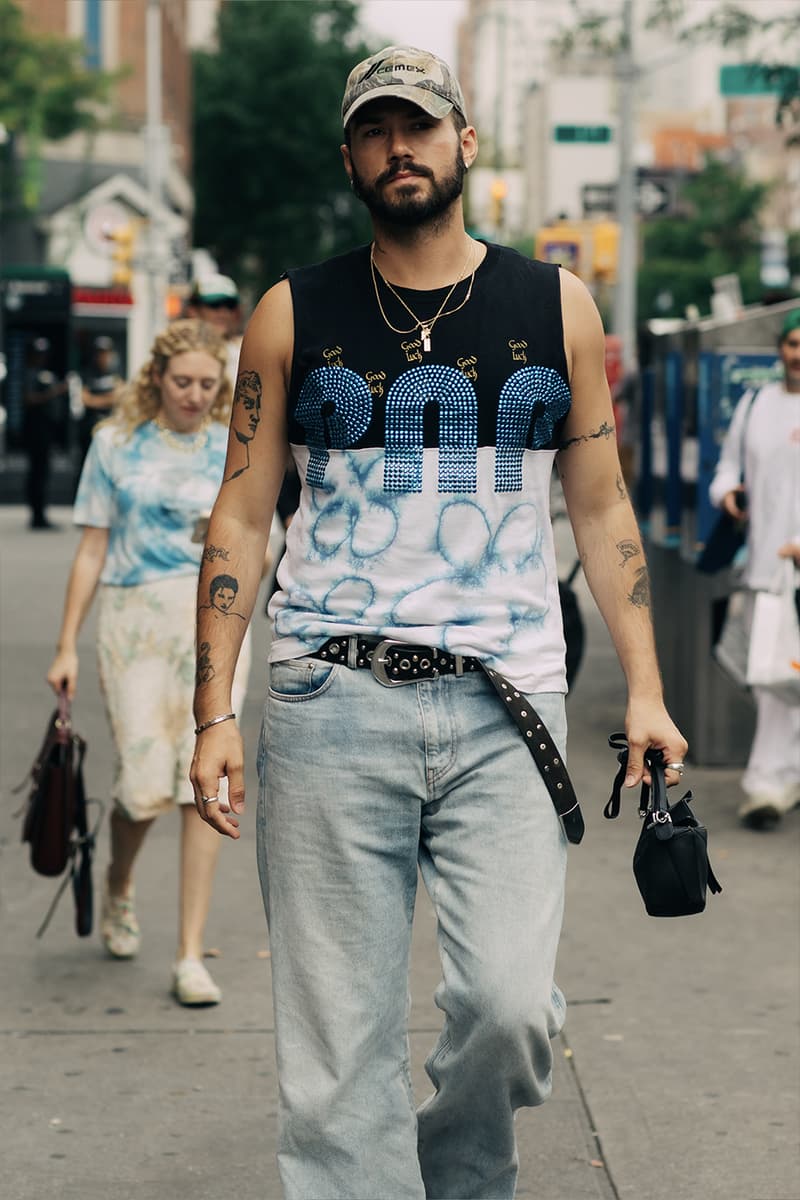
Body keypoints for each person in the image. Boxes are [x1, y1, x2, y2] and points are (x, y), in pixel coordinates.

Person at [189, 45, 687, 1200]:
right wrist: (212, 706)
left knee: (509, 1014)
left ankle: (455, 1178)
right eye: (373, 131)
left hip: (504, 702)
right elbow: (242, 510)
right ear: (351, 157)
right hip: (328, 698)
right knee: (333, 1065)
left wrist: (647, 691)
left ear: (465, 140)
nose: (396, 147)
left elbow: (600, 501)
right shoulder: (290, 312)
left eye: (418, 126)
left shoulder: (553, 303)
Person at [47, 319, 251, 1006]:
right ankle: (118, 883)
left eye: (207, 383)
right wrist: (66, 643)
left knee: (206, 783)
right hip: (133, 619)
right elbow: (91, 550)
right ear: (157, 379)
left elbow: (260, 543)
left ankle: (189, 954)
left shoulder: (235, 447)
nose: (194, 395)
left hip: (213, 622)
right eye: (182, 381)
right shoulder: (114, 445)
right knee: (142, 783)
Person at [709, 307, 800, 829]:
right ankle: (766, 784)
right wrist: (727, 496)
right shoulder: (756, 404)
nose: (797, 355)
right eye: (791, 344)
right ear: (780, 349)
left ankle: (782, 777)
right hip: (768, 569)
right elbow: (726, 468)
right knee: (771, 677)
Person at [22, 335, 69, 529]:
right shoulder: (30, 374)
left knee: (42, 472)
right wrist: (55, 392)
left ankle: (40, 513)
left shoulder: (42, 372)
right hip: (35, 429)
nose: (41, 358)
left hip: (45, 428)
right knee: (38, 473)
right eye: (37, 354)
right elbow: (29, 399)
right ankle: (37, 515)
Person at [74, 335, 123, 484]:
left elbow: (122, 396)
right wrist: (108, 398)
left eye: (106, 353)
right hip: (90, 430)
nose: (103, 357)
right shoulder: (86, 375)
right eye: (99, 353)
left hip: (111, 429)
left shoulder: (115, 376)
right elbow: (86, 400)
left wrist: (100, 400)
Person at [186, 273, 243, 385]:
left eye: (230, 305)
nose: (223, 313)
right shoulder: (175, 354)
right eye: (214, 305)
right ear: (193, 310)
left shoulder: (242, 357)